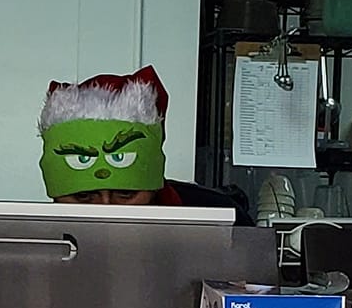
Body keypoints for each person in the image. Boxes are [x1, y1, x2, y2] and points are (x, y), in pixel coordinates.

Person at [38, 66, 252, 221]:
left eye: (126, 194)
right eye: (83, 196)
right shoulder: (36, 237)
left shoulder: (219, 216)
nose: (106, 210)